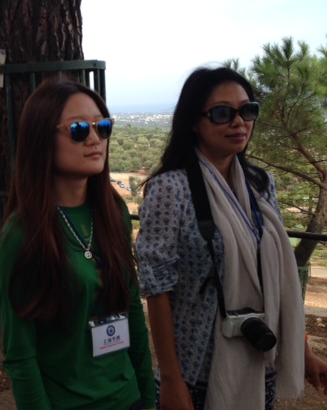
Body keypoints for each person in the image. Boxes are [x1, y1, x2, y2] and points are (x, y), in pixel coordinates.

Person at [135, 66, 327, 410]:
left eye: (247, 110)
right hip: (197, 370)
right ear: (194, 122)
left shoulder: (260, 184)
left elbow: (277, 279)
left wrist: (303, 351)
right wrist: (172, 379)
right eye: (222, 113)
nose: (239, 122)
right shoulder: (170, 189)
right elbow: (157, 288)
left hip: (259, 360)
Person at [0, 79, 155, 410]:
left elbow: (132, 312)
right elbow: (20, 354)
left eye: (103, 127)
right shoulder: (23, 235)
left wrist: (149, 397)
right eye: (79, 129)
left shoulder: (113, 212)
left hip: (128, 399)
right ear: (42, 139)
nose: (95, 139)